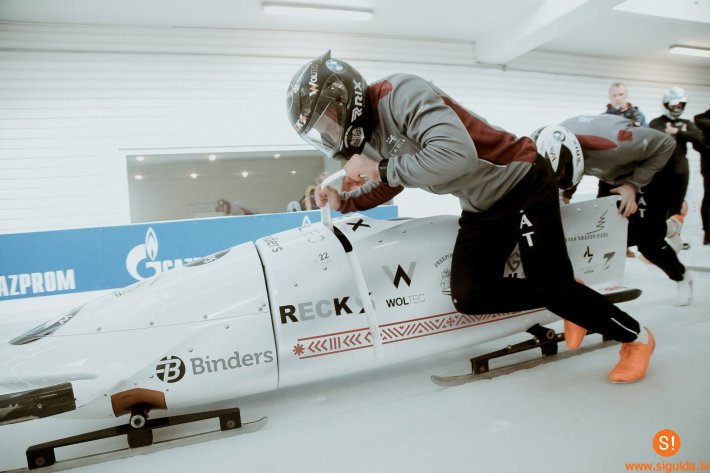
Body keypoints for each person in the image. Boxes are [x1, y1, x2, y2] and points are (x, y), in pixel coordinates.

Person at [285, 51, 655, 383]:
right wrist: (345, 201)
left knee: (553, 287)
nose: (330, 133)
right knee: (470, 295)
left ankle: (635, 338)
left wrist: (379, 168)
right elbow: (392, 181)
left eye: (328, 122)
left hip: (521, 179)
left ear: (344, 99)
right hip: (482, 204)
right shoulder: (369, 138)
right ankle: (570, 298)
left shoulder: (401, 94)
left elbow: (456, 156)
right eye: (322, 131)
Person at [545, 114, 692, 306]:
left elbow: (666, 143)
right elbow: (571, 167)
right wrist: (564, 195)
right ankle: (668, 228)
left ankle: (682, 276)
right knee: (604, 232)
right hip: (611, 175)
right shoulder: (554, 140)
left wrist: (633, 185)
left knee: (648, 243)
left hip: (649, 174)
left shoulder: (618, 144)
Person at [649, 87, 705, 249]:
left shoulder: (686, 122)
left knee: (676, 206)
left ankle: (674, 240)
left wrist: (677, 132)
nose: (676, 108)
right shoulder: (656, 122)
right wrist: (681, 133)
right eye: (673, 105)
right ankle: (657, 240)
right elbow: (660, 140)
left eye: (679, 105)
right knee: (659, 206)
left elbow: (698, 138)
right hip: (661, 172)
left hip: (681, 171)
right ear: (666, 105)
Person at [694, 107, 710, 245]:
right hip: (709, 166)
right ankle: (708, 233)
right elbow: (698, 119)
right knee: (709, 198)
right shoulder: (704, 118)